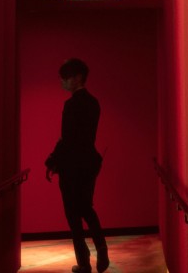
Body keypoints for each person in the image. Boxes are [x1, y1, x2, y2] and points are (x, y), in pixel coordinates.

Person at [45, 58, 109, 273]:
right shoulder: (94, 103)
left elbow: (68, 139)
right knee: (86, 208)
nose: (62, 82)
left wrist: (53, 161)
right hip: (89, 163)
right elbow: (82, 138)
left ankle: (84, 263)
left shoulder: (71, 105)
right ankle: (101, 246)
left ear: (77, 78)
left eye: (65, 77)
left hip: (72, 166)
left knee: (73, 215)